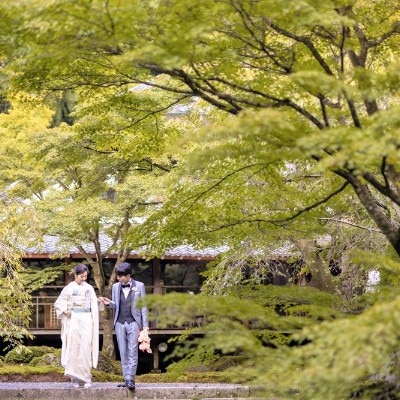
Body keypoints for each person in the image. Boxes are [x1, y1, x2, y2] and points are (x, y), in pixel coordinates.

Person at [98, 262, 149, 391]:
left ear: (128, 275)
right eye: (118, 276)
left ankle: (131, 378)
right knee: (123, 351)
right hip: (119, 322)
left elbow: (143, 307)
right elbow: (116, 304)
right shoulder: (115, 287)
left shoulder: (140, 286)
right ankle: (126, 378)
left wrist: (145, 327)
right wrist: (108, 303)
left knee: (133, 351)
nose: (119, 278)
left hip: (134, 322)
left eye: (121, 276)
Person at [54, 263, 99, 388]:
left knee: (85, 347)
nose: (84, 279)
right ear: (75, 275)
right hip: (73, 318)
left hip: (86, 319)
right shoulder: (68, 288)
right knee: (74, 346)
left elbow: (94, 304)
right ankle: (74, 378)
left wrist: (99, 303)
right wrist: (65, 311)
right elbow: (59, 302)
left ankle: (86, 377)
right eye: (81, 277)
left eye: (85, 277)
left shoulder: (89, 288)